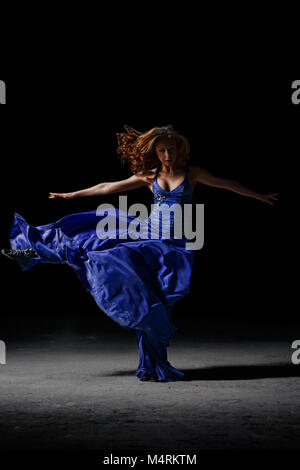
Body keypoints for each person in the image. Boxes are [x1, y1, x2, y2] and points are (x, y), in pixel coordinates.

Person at [1, 125, 279, 382]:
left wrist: (258, 196)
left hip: (175, 246)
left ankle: (154, 364)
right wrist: (72, 195)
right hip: (146, 235)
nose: (167, 154)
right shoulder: (150, 176)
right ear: (155, 152)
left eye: (171, 149)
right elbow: (108, 187)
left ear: (179, 149)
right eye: (162, 150)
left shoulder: (193, 173)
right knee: (92, 245)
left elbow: (228, 183)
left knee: (159, 300)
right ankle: (31, 252)